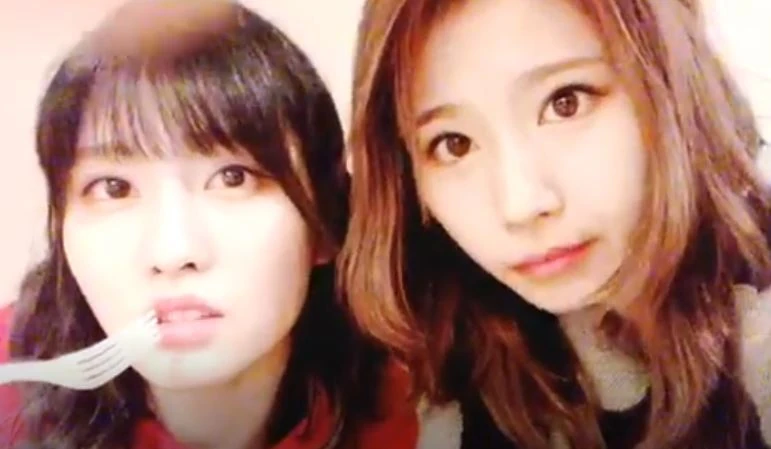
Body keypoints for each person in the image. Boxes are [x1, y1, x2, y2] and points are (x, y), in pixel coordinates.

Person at [340, 0, 771, 447]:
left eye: (566, 103)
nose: (520, 205)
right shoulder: (456, 354)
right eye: (454, 144)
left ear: (671, 82)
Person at [0, 1, 419, 448]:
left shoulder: (383, 403)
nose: (173, 252)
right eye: (114, 188)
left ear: (324, 223)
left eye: (233, 178)